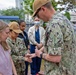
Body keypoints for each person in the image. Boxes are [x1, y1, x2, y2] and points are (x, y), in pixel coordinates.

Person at [32, 0, 76, 75]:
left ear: (43, 9)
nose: (38, 18)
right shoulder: (63, 19)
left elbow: (55, 58)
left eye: (37, 15)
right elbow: (56, 45)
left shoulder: (54, 25)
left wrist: (40, 54)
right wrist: (37, 53)